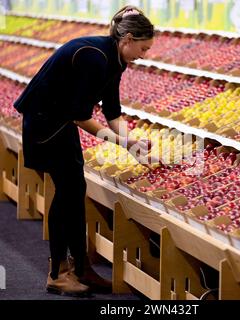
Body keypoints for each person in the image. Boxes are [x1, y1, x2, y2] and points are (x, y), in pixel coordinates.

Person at [13, 5, 155, 297]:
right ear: (127, 39)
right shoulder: (94, 57)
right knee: (66, 193)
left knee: (75, 190)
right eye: (143, 48)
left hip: (59, 120)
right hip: (44, 123)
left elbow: (112, 110)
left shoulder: (115, 59)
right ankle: (57, 274)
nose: (145, 54)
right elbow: (80, 115)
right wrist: (122, 143)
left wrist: (132, 143)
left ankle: (81, 268)